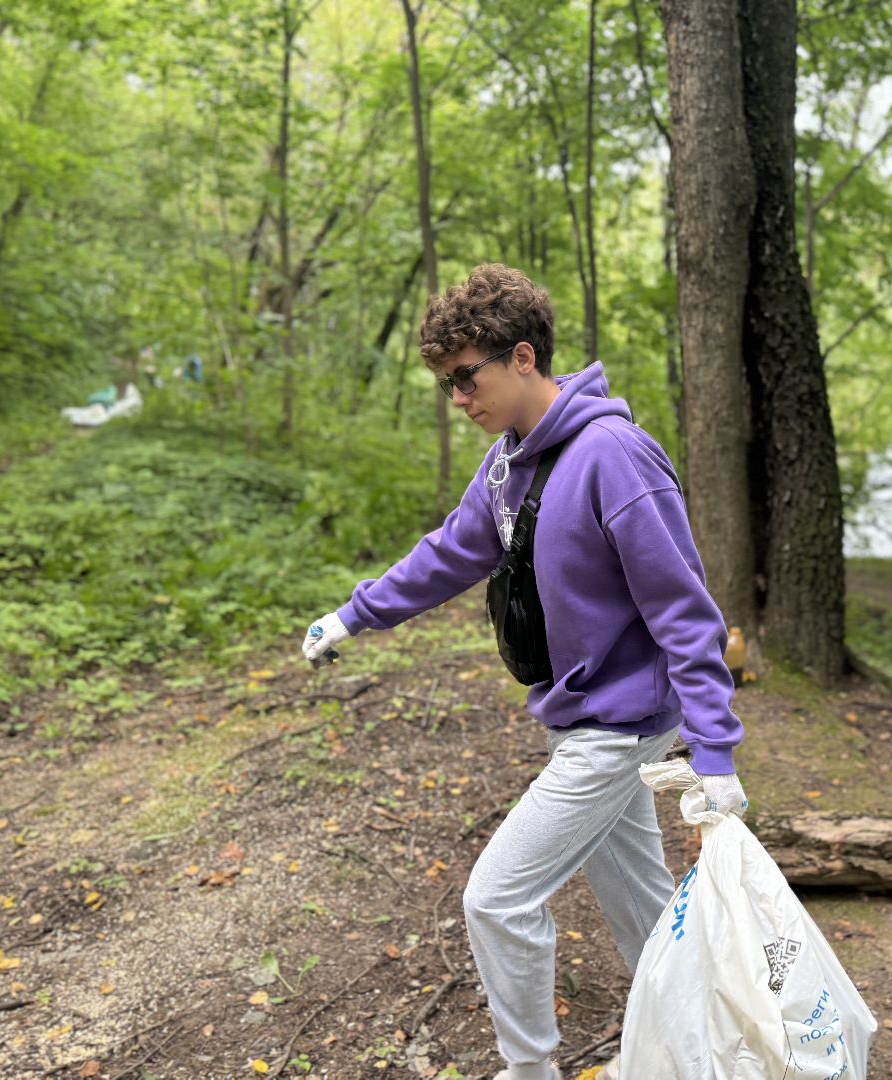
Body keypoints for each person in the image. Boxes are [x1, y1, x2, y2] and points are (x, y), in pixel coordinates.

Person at [300, 264, 745, 1080]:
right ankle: (703, 1052)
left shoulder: (617, 458)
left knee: (496, 899)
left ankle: (530, 1069)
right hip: (581, 719)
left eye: (466, 377)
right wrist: (355, 613)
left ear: (525, 358)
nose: (458, 398)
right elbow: (451, 554)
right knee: (647, 912)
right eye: (445, 385)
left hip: (619, 729)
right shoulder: (509, 462)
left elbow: (686, 614)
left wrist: (714, 753)